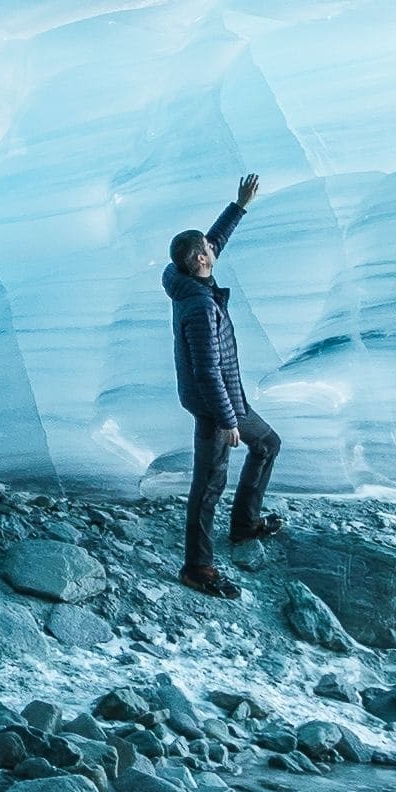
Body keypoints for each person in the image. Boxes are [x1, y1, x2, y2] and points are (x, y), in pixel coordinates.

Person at [167, 172, 278, 590]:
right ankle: (197, 567)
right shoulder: (199, 306)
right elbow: (206, 368)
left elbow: (211, 241)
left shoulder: (181, 276)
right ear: (199, 260)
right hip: (216, 406)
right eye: (208, 251)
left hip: (229, 398)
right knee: (210, 482)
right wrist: (228, 419)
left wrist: (239, 206)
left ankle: (245, 524)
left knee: (267, 444)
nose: (214, 251)